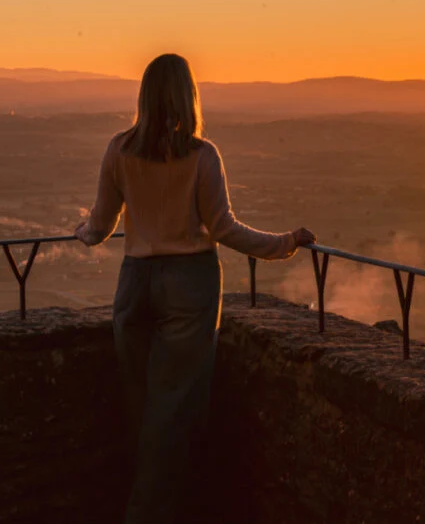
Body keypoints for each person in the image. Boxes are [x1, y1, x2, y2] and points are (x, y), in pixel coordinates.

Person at [74, 53, 314, 524]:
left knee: (144, 411)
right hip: (189, 285)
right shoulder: (202, 156)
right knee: (171, 416)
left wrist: (80, 230)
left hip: (134, 285)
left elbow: (101, 226)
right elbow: (223, 228)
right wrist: (285, 243)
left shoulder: (118, 150)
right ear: (188, 95)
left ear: (143, 96)